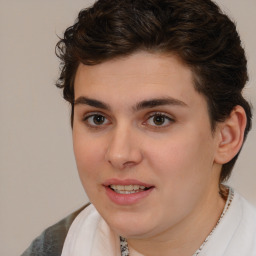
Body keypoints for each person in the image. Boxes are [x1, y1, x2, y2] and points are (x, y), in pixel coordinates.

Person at [21, 0, 256, 255]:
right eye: (97, 118)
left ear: (227, 136)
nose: (119, 154)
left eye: (158, 119)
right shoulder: (52, 248)